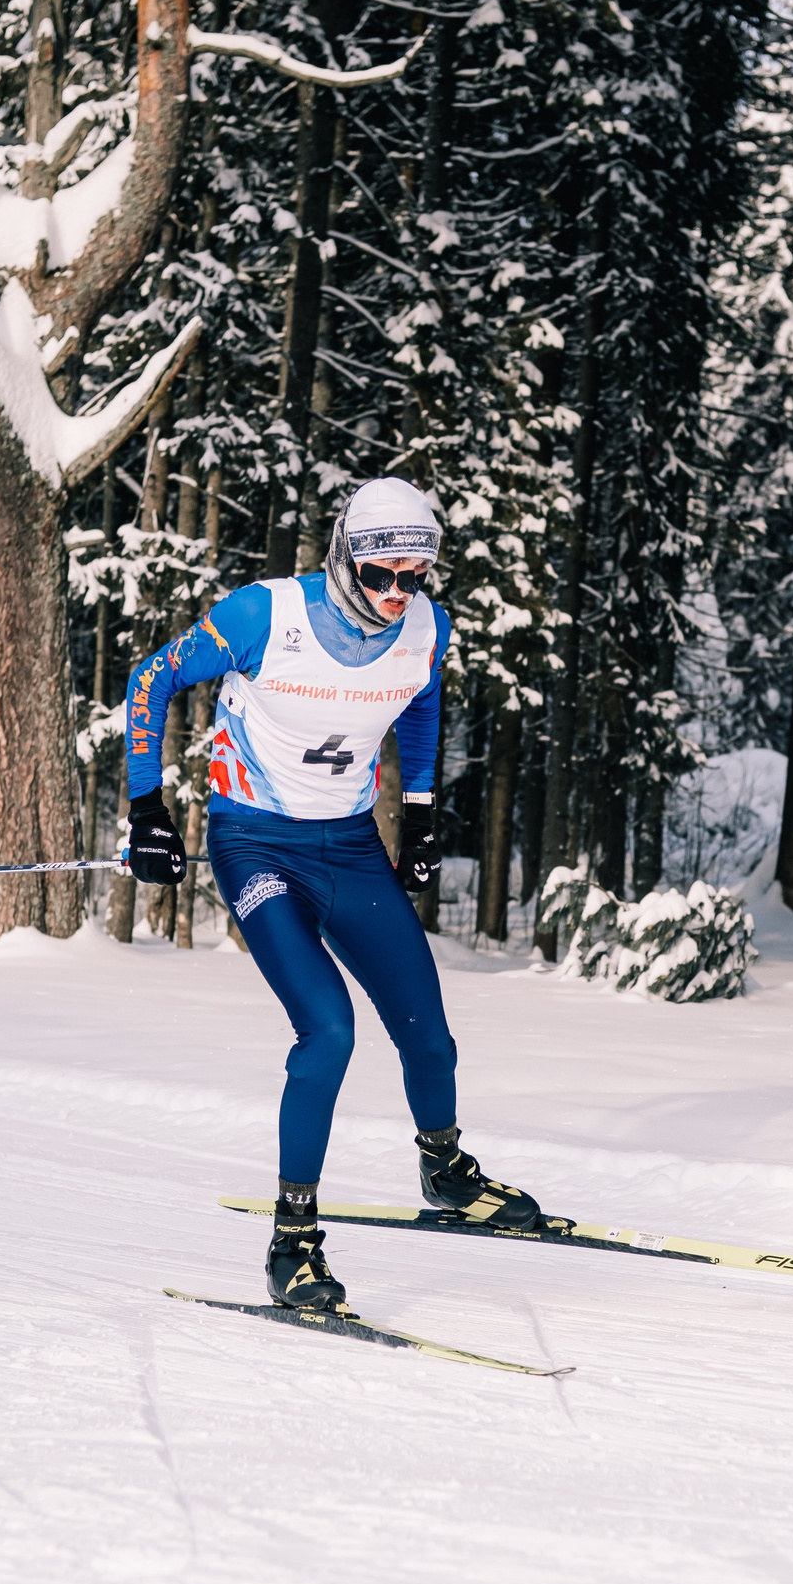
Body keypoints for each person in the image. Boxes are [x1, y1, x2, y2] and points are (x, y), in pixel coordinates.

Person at [123, 477, 545, 1309]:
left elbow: (419, 705)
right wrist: (146, 808)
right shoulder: (263, 616)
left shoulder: (426, 628)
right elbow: (149, 681)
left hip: (350, 847)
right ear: (347, 554)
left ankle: (447, 1169)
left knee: (428, 1030)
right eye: (380, 574)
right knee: (329, 1028)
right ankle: (293, 1243)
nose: (396, 595)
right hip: (254, 845)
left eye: (413, 578)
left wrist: (418, 817)